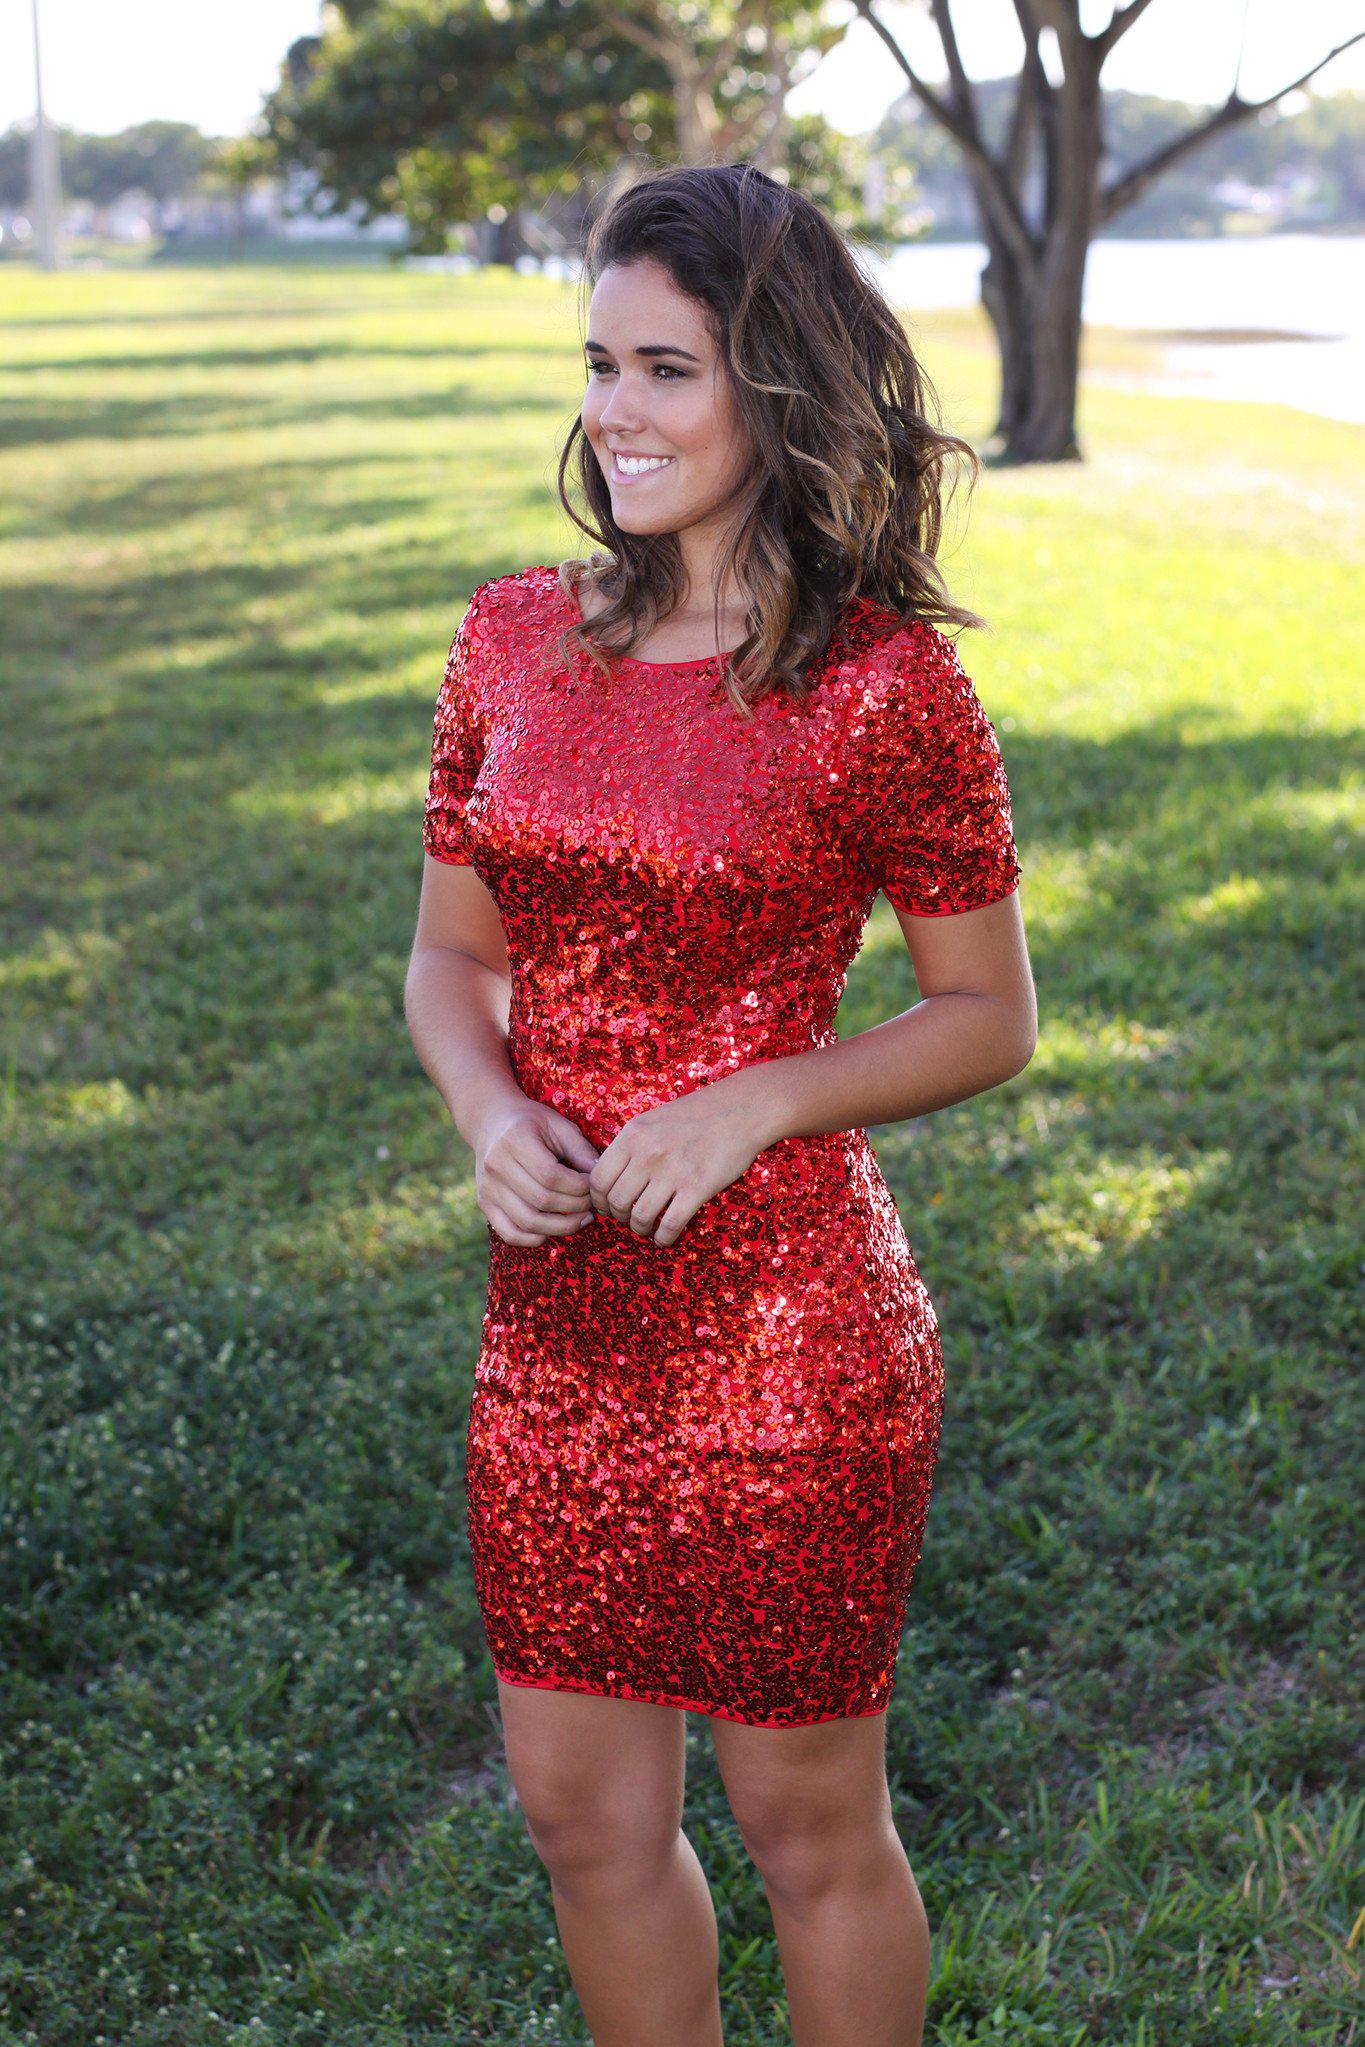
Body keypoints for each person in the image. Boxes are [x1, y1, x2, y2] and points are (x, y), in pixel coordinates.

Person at [405, 161, 1037, 2047]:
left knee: (800, 1820)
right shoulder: (513, 635)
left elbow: (986, 1015)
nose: (615, 411)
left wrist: (763, 1098)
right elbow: (449, 964)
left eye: (665, 368)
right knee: (581, 1820)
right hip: (559, 1334)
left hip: (793, 1348)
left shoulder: (882, 687)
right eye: (600, 364)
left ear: (777, 384)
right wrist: (486, 1112)